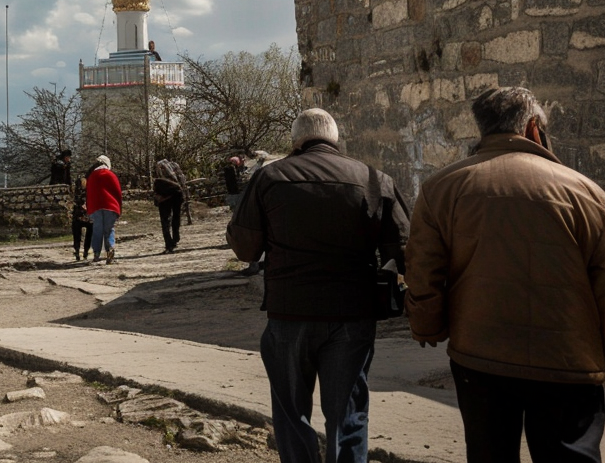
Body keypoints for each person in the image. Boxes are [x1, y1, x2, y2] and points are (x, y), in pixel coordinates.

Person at [407, 87, 605, 460]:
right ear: (533, 127)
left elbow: (423, 272)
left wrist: (427, 327)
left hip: (479, 356)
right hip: (568, 363)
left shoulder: (440, 189)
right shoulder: (587, 193)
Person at [227, 109, 409, 463]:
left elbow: (246, 248)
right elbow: (404, 250)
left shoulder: (270, 178)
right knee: (348, 416)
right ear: (335, 140)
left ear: (297, 142)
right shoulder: (375, 180)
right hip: (353, 313)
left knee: (292, 413)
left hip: (290, 310)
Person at [85, 156, 122, 264]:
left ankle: (96, 254)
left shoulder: (92, 176)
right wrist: (119, 207)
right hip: (110, 206)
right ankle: (109, 250)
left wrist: (89, 208)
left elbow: (89, 194)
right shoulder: (111, 175)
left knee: (97, 230)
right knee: (109, 229)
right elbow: (117, 192)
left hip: (95, 207)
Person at [153, 159, 186, 254]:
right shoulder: (175, 166)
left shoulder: (159, 167)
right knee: (176, 216)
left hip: (165, 197)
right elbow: (182, 180)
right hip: (177, 195)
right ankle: (175, 238)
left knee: (165, 220)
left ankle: (169, 243)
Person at [70, 177, 93, 262]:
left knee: (77, 235)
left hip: (77, 216)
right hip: (88, 216)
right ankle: (86, 252)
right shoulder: (90, 191)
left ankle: (77, 251)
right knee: (89, 234)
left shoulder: (74, 193)